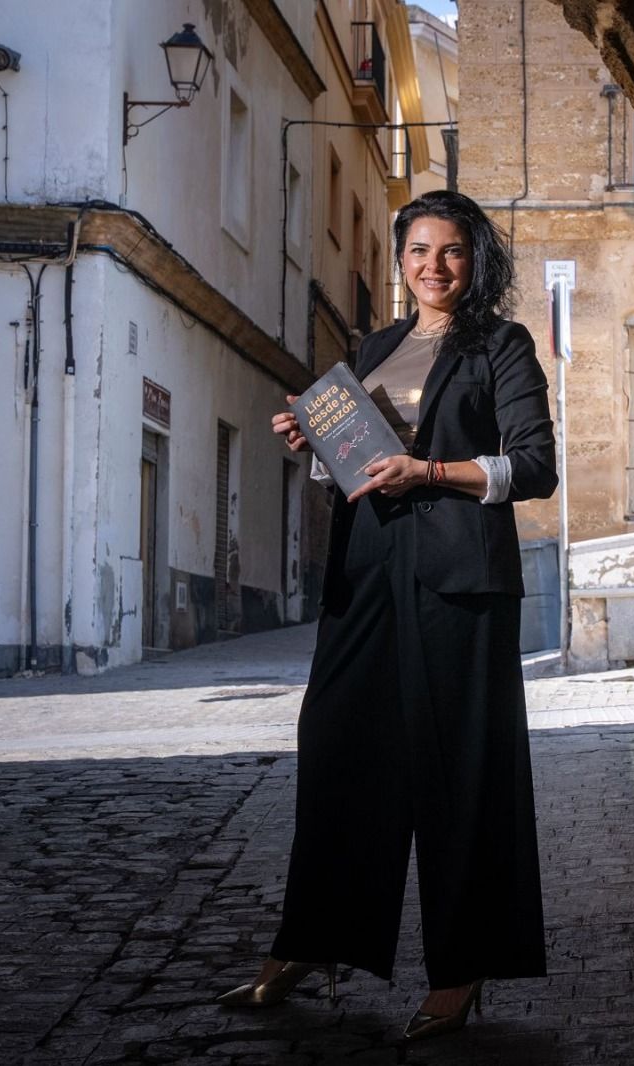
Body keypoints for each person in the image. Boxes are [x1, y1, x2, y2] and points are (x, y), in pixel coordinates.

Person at [216, 189, 556, 1045]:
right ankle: (314, 942)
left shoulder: (501, 347)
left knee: (459, 769)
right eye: (417, 252)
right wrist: (317, 448)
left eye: (450, 251)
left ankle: (462, 969)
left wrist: (431, 472)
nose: (433, 267)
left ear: (475, 260)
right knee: (338, 751)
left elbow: (535, 467)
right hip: (367, 572)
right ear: (398, 260)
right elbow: (363, 465)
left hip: (458, 578)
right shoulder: (373, 347)